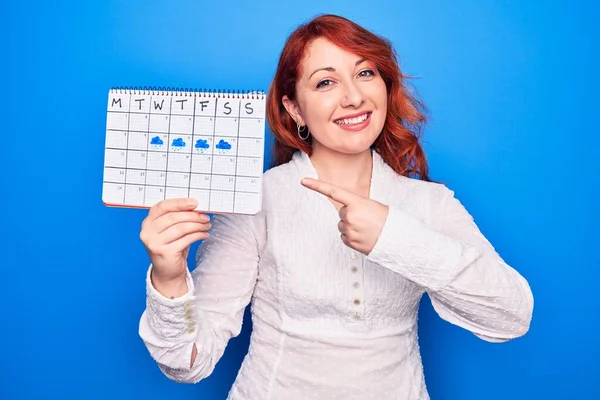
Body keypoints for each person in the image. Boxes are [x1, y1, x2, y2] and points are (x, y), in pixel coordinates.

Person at [138, 14, 534, 400]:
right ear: (294, 109)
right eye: (326, 81)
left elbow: (511, 316)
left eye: (365, 73)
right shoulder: (257, 202)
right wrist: (169, 279)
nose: (353, 96)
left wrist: (396, 238)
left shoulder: (429, 203)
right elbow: (187, 365)